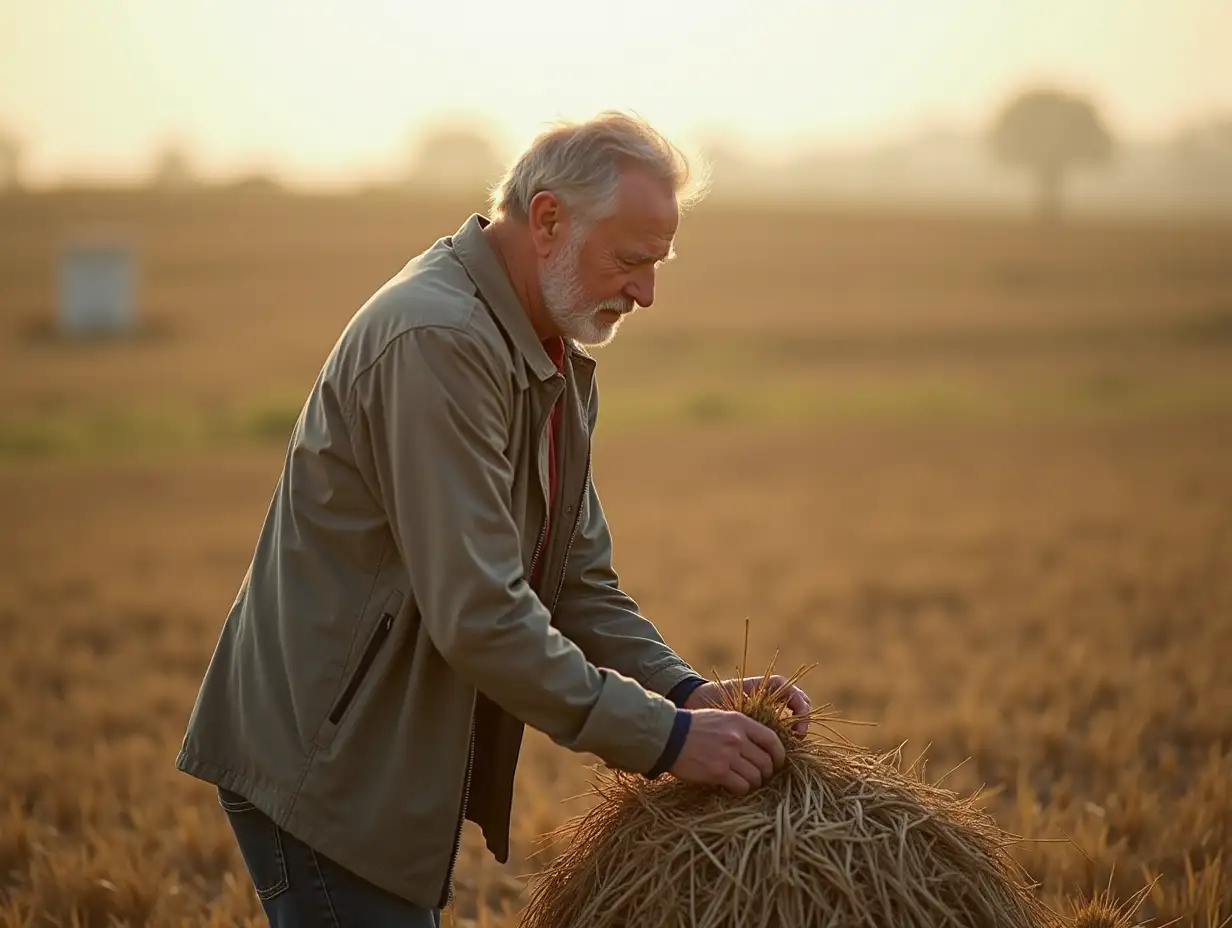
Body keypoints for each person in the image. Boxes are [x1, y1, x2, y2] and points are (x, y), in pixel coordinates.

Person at [174, 111, 812, 927]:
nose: (647, 292)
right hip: (325, 769)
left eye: (658, 265)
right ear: (547, 220)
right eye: (630, 260)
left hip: (378, 759)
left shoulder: (540, 352)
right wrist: (665, 741)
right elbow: (479, 614)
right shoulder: (437, 343)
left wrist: (688, 696)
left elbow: (577, 583)